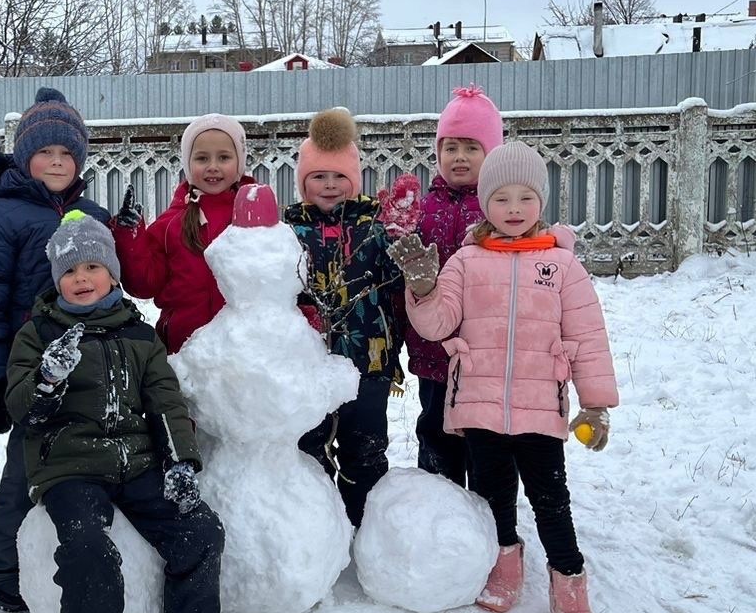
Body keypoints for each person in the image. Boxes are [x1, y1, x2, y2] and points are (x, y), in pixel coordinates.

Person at [7, 210, 243, 613]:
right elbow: (20, 409)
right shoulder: (38, 334)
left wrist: (179, 462)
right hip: (68, 468)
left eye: (93, 266)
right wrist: (47, 381)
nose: (82, 278)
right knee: (89, 553)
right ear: (57, 280)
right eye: (70, 271)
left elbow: (165, 400)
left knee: (200, 529)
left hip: (135, 462)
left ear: (113, 274)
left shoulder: (138, 334)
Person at [399, 142, 618, 613]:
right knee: (494, 495)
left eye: (524, 198)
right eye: (501, 199)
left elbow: (588, 336)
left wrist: (596, 402)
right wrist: (424, 287)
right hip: (479, 405)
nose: (513, 210)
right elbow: (437, 324)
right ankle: (505, 562)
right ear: (484, 202)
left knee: (551, 502)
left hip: (541, 409)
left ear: (540, 202)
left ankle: (570, 588)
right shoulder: (466, 260)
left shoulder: (562, 266)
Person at [0, 88, 111, 613]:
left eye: (66, 154)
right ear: (25, 157)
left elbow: (113, 287)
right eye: (45, 153)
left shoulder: (91, 214)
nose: (56, 162)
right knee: (24, 472)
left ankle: (61, 562)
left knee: (80, 468)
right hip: (30, 375)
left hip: (89, 367)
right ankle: (0, 570)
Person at [284, 107, 405, 527]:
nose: (330, 185)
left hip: (367, 359)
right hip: (309, 363)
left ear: (354, 181)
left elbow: (399, 280)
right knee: (309, 448)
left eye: (339, 177)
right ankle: (319, 530)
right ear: (303, 183)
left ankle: (364, 527)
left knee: (365, 449)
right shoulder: (288, 230)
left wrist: (403, 237)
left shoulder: (376, 226)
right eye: (319, 177)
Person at [382, 85, 504, 486]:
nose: (460, 157)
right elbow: (402, 278)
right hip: (433, 350)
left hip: (487, 353)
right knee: (435, 429)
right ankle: (439, 508)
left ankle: (490, 513)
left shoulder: (499, 209)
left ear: (491, 152)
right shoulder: (424, 208)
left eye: (471, 147)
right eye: (450, 147)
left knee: (486, 438)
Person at [111, 113, 255, 353]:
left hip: (244, 351)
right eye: (201, 158)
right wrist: (130, 235)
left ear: (239, 162)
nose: (213, 166)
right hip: (184, 348)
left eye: (224, 157)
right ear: (188, 164)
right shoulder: (171, 225)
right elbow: (144, 285)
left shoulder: (254, 218)